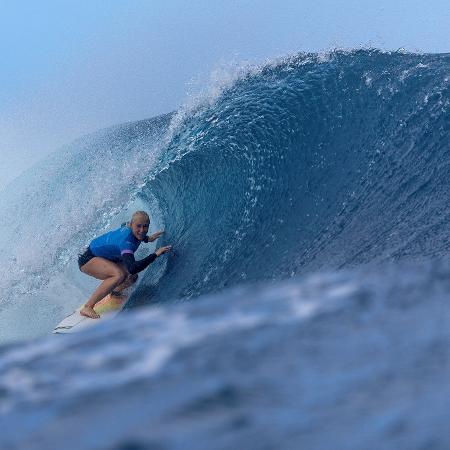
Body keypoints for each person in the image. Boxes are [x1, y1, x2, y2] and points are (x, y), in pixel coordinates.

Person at [77, 211, 171, 319]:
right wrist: (155, 254)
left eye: (145, 226)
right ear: (131, 224)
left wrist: (148, 238)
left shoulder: (130, 227)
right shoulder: (126, 242)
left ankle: (115, 292)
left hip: (105, 256)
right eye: (138, 226)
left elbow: (133, 231)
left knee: (131, 278)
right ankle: (88, 307)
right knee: (119, 275)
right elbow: (133, 268)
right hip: (88, 258)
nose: (142, 230)